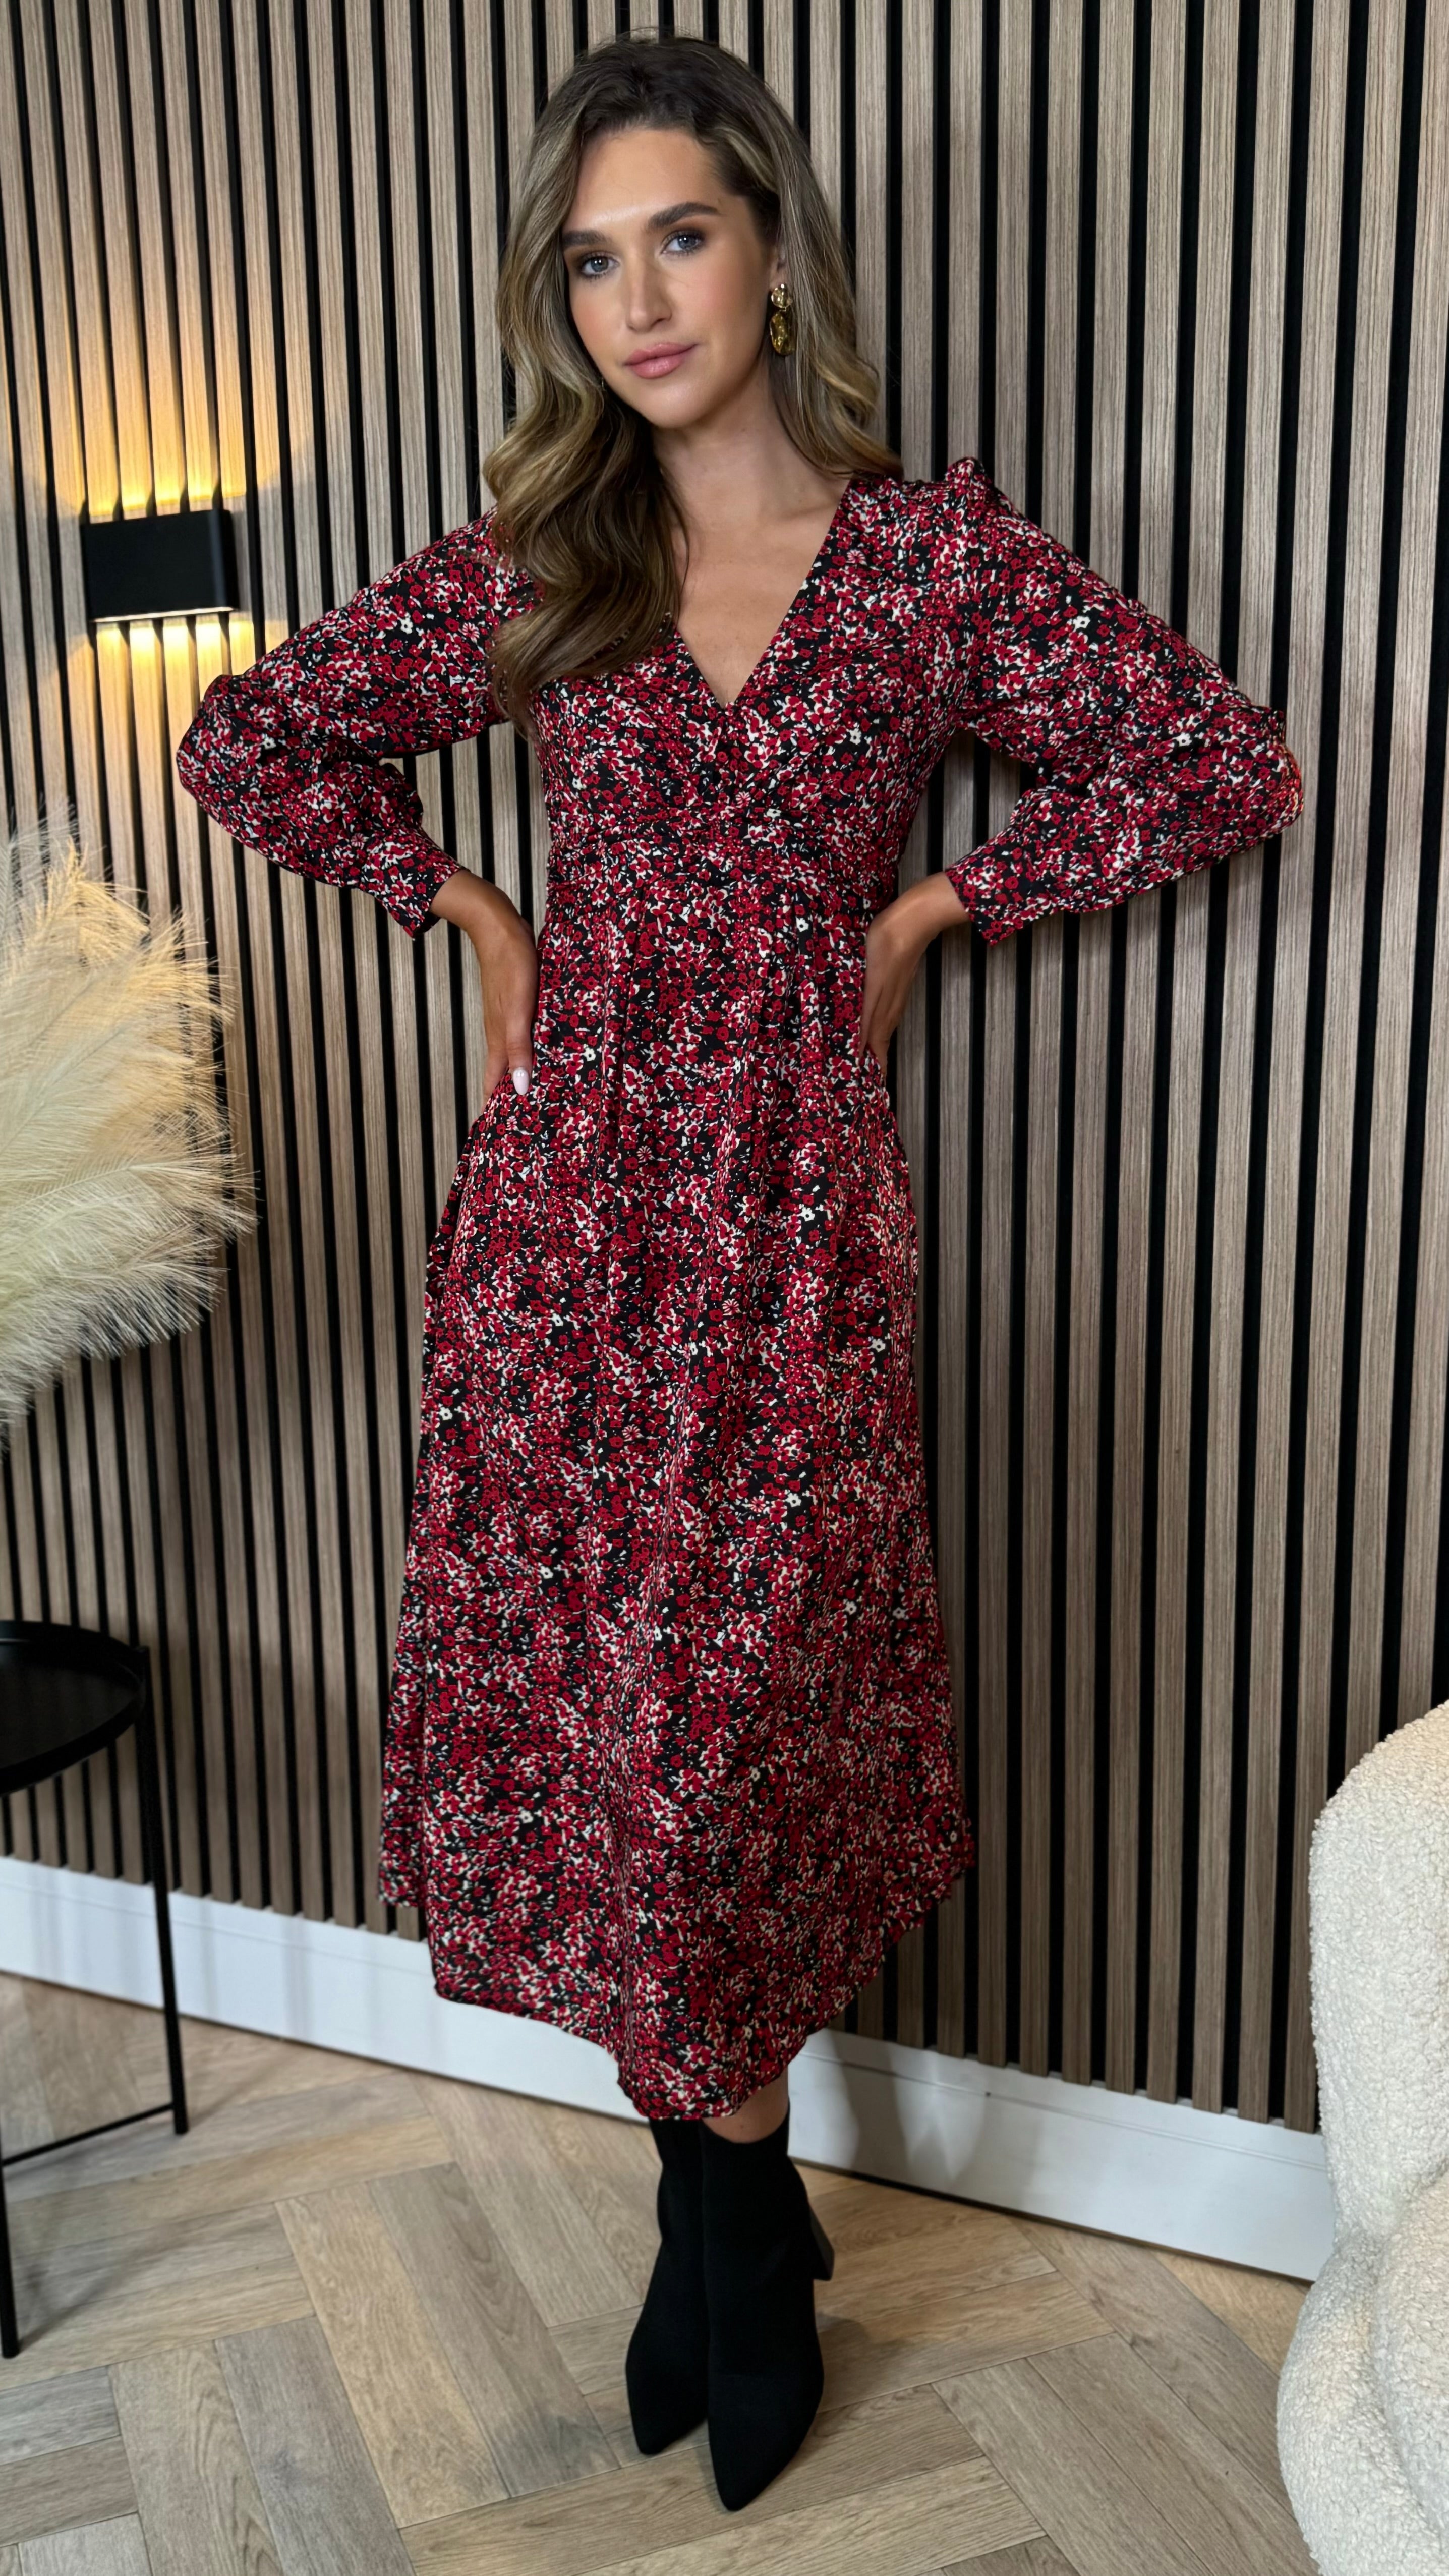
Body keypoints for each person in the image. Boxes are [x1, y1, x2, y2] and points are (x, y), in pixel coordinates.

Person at [174, 31, 1303, 2516]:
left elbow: (1215, 762)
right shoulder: (543, 567)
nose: (638, 298)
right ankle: (729, 2214)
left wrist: (932, 903)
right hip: (560, 1237)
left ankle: (735, 2217)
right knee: (601, 1740)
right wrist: (469, 906)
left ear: (772, 253)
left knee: (726, 1750)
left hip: (792, 1238)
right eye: (591, 260)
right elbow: (251, 739)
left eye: (677, 234)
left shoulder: (925, 567)